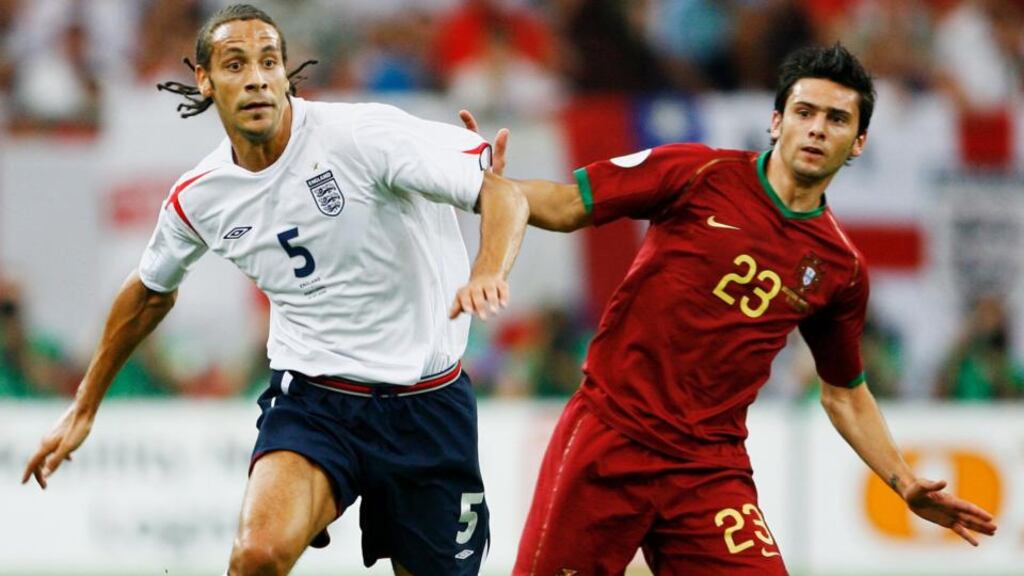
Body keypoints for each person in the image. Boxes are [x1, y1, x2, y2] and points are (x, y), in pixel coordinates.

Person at [22, 4, 529, 576]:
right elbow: (148, 292)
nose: (258, 77)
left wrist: (489, 268)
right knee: (256, 557)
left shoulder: (359, 135)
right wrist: (83, 407)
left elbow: (504, 194)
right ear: (205, 80)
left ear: (287, 74)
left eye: (269, 61)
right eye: (236, 64)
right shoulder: (201, 195)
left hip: (427, 405)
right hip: (317, 403)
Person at [462, 43, 997, 575]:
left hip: (708, 470)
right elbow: (564, 204)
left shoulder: (841, 267)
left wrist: (904, 482)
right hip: (611, 437)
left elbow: (845, 394)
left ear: (857, 143)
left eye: (836, 119)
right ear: (775, 122)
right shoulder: (698, 173)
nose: (816, 129)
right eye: (804, 112)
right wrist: (486, 189)